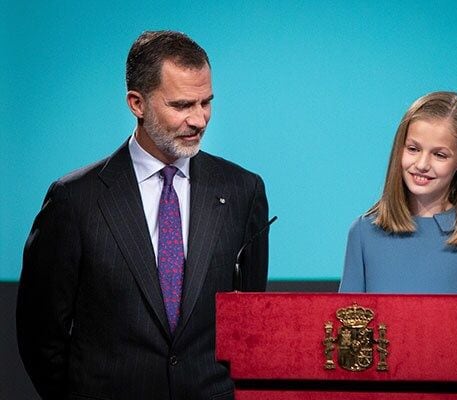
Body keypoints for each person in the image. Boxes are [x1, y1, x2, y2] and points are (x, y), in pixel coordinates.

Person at [17, 30, 269, 400]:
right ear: (137, 103)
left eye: (206, 102)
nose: (199, 119)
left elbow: (247, 323)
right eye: (182, 105)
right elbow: (41, 334)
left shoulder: (242, 191)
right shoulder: (75, 200)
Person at [339, 91, 457, 341]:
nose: (421, 164)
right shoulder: (364, 232)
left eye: (439, 155)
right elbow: (347, 334)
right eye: (413, 149)